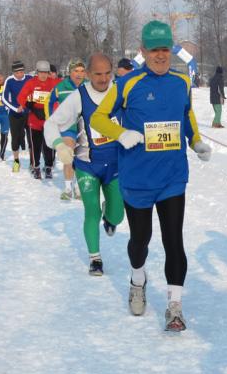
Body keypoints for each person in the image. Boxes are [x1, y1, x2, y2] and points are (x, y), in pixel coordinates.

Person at [90, 20, 212, 331]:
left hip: (172, 177)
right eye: (154, 50)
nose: (160, 56)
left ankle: (174, 306)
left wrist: (195, 140)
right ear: (143, 51)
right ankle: (138, 278)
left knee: (174, 241)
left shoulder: (181, 83)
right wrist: (120, 134)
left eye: (165, 50)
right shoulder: (127, 84)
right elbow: (98, 117)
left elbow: (186, 115)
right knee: (140, 240)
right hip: (137, 179)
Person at [45, 53, 124, 275]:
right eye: (97, 74)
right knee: (91, 210)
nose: (103, 79)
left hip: (116, 163)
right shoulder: (78, 96)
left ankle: (110, 217)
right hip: (88, 164)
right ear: (88, 74)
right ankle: (95, 259)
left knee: (118, 214)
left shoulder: (120, 91)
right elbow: (51, 123)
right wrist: (60, 144)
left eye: (108, 73)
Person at [46, 58, 86, 200]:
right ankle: (68, 188)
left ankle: (78, 187)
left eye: (82, 71)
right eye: (76, 71)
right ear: (70, 72)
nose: (79, 74)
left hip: (84, 127)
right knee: (68, 154)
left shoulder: (89, 86)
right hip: (68, 127)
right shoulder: (60, 87)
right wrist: (53, 120)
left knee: (82, 157)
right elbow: (49, 103)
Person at [17, 60, 58, 179]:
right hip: (34, 120)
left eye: (46, 72)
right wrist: (30, 105)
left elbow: (59, 98)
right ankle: (36, 168)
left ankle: (49, 167)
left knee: (48, 145)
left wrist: (52, 111)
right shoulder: (31, 83)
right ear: (37, 72)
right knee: (35, 145)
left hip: (49, 119)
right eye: (41, 72)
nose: (43, 75)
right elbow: (21, 97)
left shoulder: (54, 83)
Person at [3, 60, 33, 173]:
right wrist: (15, 108)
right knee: (15, 139)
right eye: (17, 72)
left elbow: (36, 92)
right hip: (15, 114)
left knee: (31, 139)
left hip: (29, 114)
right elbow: (4, 98)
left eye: (21, 72)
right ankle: (16, 162)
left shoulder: (30, 78)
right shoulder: (9, 81)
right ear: (13, 72)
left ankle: (32, 162)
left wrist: (32, 106)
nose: (19, 74)